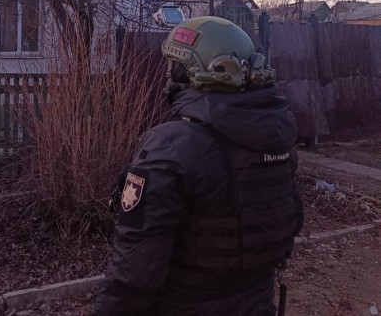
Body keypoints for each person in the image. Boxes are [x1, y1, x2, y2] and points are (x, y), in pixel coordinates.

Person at [96, 16, 303, 316]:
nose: (168, 75)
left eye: (174, 66)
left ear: (197, 71)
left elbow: (135, 271)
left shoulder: (172, 147)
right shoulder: (276, 139)